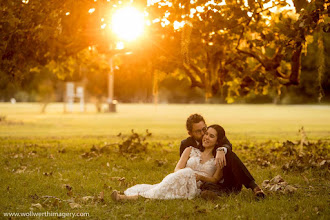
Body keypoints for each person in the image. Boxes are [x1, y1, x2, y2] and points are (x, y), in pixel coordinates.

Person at [111, 125, 225, 201]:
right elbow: (177, 170)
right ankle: (131, 197)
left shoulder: (219, 158)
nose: (206, 137)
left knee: (161, 192)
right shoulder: (190, 150)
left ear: (218, 141)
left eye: (211, 136)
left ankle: (125, 198)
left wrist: (200, 177)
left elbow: (215, 179)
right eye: (206, 134)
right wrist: (188, 174)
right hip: (180, 179)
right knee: (183, 174)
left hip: (197, 187)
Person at [180, 114, 265, 198]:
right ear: (190, 133)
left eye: (204, 129)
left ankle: (253, 186)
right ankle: (215, 194)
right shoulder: (186, 145)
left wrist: (222, 149)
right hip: (201, 181)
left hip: (223, 177)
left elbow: (228, 144)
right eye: (198, 131)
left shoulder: (214, 133)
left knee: (229, 154)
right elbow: (183, 166)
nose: (203, 134)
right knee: (207, 187)